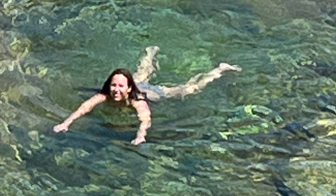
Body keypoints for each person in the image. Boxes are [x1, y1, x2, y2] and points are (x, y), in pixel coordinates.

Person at [52, 47, 240, 146]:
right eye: (113, 85)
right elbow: (83, 108)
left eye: (120, 87)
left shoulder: (137, 100)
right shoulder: (104, 95)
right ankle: (151, 52)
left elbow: (145, 118)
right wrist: (66, 123)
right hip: (137, 83)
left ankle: (220, 70)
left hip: (154, 93)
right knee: (140, 73)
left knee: (190, 88)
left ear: (127, 89)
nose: (116, 90)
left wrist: (141, 135)